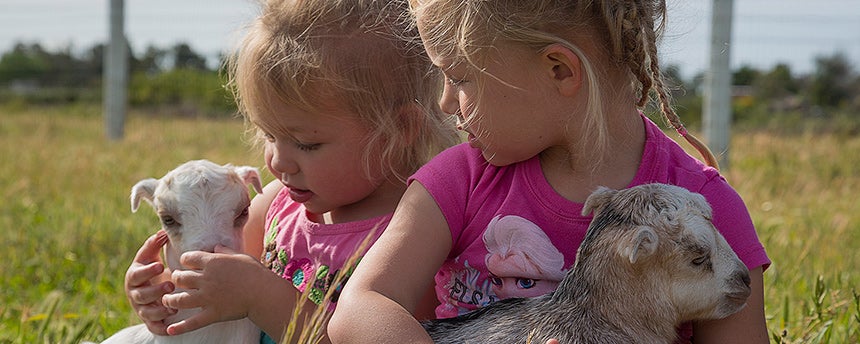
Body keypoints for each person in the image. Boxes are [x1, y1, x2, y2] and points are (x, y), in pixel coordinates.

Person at [328, 0, 771, 343]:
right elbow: (362, 306)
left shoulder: (706, 211)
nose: (445, 103)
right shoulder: (458, 181)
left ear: (558, 70)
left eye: (459, 78)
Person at [121, 0, 459, 342]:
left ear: (398, 130)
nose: (278, 162)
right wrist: (161, 292)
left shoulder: (416, 231)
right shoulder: (277, 206)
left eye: (306, 143)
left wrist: (261, 297)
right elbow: (216, 276)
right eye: (269, 135)